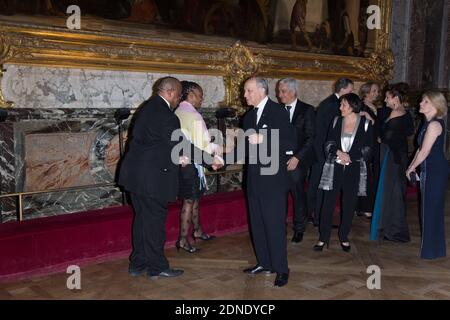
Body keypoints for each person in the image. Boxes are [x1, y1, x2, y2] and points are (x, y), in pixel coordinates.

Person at [118, 76, 222, 279]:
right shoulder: (166, 114)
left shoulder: (147, 108)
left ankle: (138, 263)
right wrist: (209, 159)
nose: (178, 100)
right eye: (178, 95)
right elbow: (181, 144)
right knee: (155, 223)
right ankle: (157, 266)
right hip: (152, 179)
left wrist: (178, 157)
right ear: (171, 92)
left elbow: (156, 144)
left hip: (134, 176)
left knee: (142, 221)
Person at [234, 77, 296, 287]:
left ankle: (281, 268)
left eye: (248, 91)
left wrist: (265, 139)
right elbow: (243, 149)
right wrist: (219, 159)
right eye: (245, 91)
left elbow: (290, 143)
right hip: (254, 180)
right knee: (257, 224)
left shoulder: (278, 112)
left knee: (275, 225)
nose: (245, 95)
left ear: (261, 91)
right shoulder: (248, 117)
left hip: (273, 181)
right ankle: (264, 263)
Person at [314, 93, 373, 252]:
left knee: (349, 205)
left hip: (354, 169)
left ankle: (344, 236)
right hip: (335, 168)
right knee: (328, 204)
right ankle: (323, 237)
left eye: (343, 105)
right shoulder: (336, 121)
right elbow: (328, 143)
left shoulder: (366, 124)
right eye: (340, 104)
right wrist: (339, 153)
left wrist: (351, 157)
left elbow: (368, 148)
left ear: (353, 106)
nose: (340, 108)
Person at [174, 81, 218, 253]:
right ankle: (183, 239)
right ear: (190, 94)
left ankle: (198, 230)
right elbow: (203, 145)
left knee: (194, 198)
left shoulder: (177, 111)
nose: (202, 99)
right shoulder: (194, 116)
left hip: (181, 162)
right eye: (200, 95)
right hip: (192, 164)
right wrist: (214, 153)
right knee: (189, 200)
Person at [406, 91, 448, 259]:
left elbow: (425, 151)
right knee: (429, 209)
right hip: (430, 168)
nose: (420, 104)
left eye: (425, 102)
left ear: (435, 105)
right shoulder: (427, 123)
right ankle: (435, 249)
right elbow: (419, 149)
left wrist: (412, 167)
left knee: (430, 210)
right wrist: (411, 167)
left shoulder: (434, 125)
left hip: (435, 170)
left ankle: (431, 251)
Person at [370, 83, 414, 242]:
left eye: (388, 97)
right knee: (395, 191)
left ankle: (393, 230)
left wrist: (380, 133)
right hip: (398, 155)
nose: (385, 99)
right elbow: (408, 131)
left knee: (392, 191)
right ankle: (393, 229)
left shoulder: (396, 113)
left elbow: (385, 137)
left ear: (395, 98)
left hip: (392, 156)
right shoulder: (405, 113)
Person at [307, 78, 354, 226]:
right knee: (321, 183)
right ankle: (318, 217)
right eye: (350, 90)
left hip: (323, 150)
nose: (351, 93)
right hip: (323, 151)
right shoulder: (332, 105)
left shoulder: (331, 103)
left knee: (318, 183)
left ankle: (315, 216)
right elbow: (328, 132)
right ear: (343, 89)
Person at [276, 78, 315, 244]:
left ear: (293, 92)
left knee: (298, 194)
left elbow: (311, 137)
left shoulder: (307, 110)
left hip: (298, 159)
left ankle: (299, 228)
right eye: (279, 91)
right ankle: (280, 227)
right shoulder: (276, 110)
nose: (279, 95)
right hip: (278, 159)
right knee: (279, 195)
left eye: (283, 91)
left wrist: (297, 157)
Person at [356, 82, 381, 218]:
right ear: (366, 92)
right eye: (374, 91)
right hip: (364, 145)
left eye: (377, 91)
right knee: (364, 175)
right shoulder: (361, 106)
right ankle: (362, 207)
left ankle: (369, 205)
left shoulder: (375, 106)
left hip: (375, 144)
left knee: (372, 175)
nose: (377, 93)